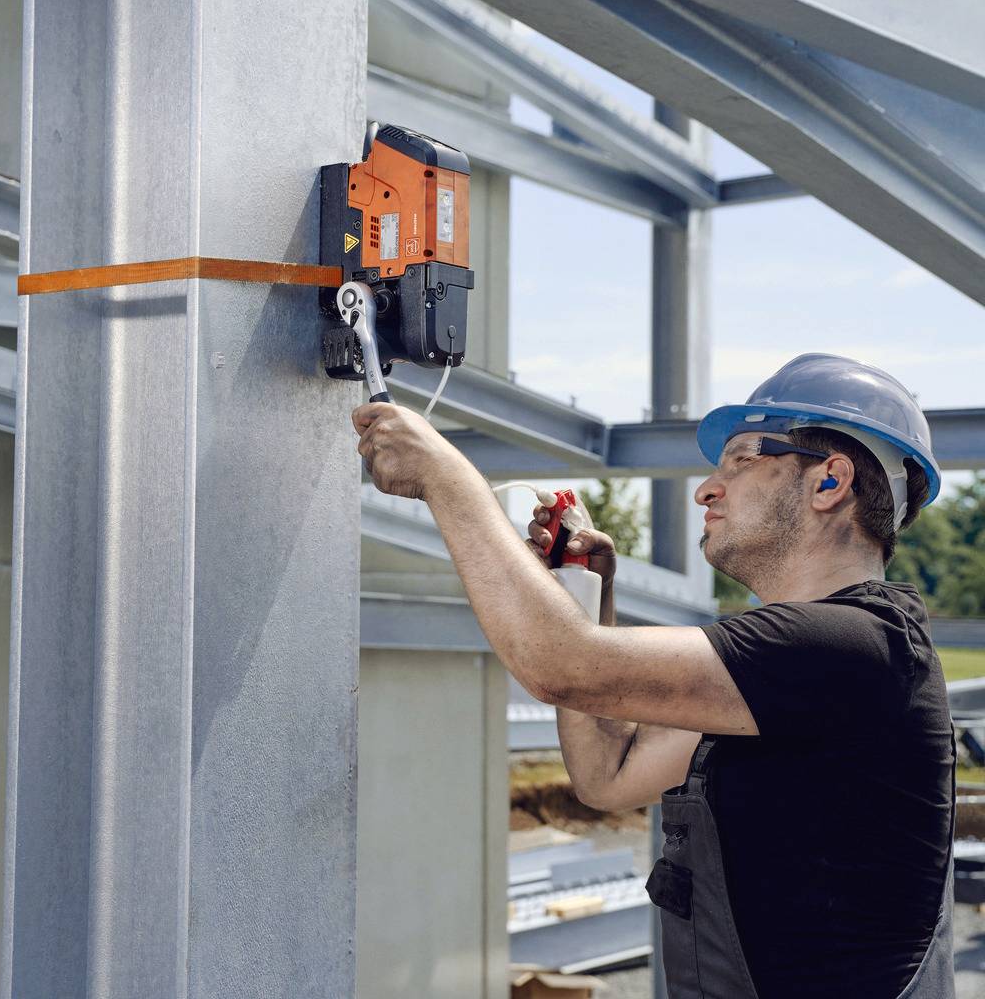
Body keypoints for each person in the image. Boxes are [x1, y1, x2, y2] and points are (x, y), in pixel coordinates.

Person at [353, 353, 954, 999]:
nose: (706, 489)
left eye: (743, 460)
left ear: (829, 483)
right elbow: (607, 774)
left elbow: (562, 665)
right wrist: (583, 587)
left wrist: (446, 477)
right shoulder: (800, 675)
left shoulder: (855, 649)